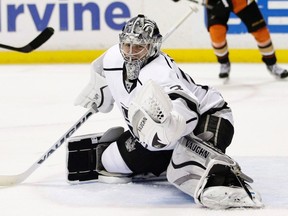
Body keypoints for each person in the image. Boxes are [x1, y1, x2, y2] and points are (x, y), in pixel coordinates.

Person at [68, 14, 263, 209]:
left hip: (209, 115)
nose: (130, 53)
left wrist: (171, 126)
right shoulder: (113, 57)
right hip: (160, 136)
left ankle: (223, 179)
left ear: (152, 47)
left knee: (188, 163)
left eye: (138, 47)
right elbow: (100, 68)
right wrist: (99, 88)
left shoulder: (158, 72)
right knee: (111, 162)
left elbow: (189, 109)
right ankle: (169, 158)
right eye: (127, 45)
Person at [172, 0, 288, 79]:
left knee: (261, 32)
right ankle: (224, 62)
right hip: (215, 1)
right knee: (216, 34)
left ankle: (272, 64)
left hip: (241, 2)